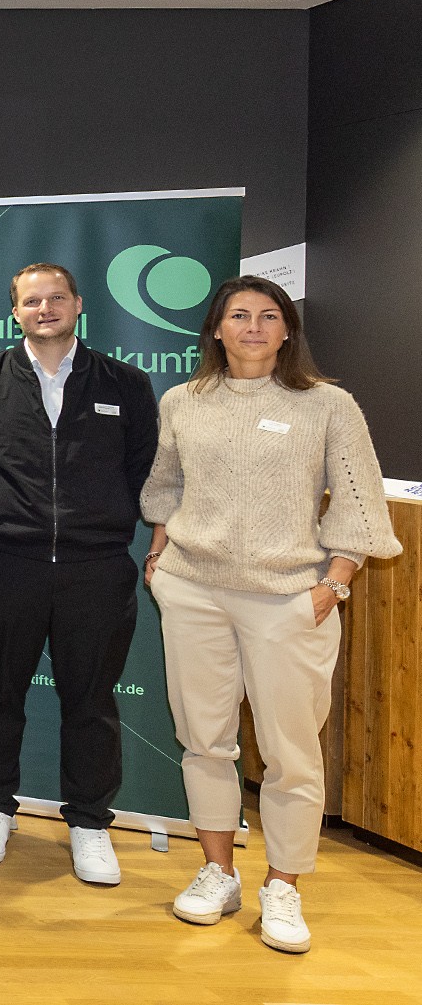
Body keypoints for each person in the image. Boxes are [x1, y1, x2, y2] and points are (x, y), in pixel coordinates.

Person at [141, 276, 400, 954]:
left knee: (291, 754)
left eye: (267, 315)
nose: (253, 327)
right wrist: (159, 556)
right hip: (193, 592)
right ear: (216, 328)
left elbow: (360, 501)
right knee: (204, 740)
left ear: (287, 330)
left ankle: (283, 886)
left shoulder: (328, 404)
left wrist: (335, 584)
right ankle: (218, 872)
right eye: (239, 315)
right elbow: (166, 485)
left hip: (290, 600)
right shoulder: (182, 401)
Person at [0, 262, 157, 886]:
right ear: (15, 312)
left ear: (78, 304)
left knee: (91, 700)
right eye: (32, 301)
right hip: (3, 563)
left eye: (56, 298)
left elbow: (144, 471)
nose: (46, 309)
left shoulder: (125, 383)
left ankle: (89, 822)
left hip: (97, 568)